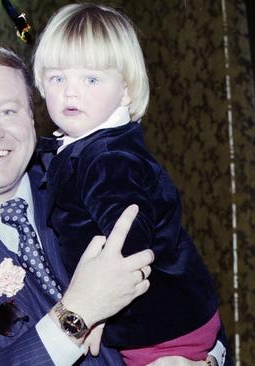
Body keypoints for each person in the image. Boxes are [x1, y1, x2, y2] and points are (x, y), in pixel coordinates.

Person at [0, 41, 227, 366]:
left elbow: (186, 286)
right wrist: (77, 313)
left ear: (33, 116)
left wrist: (207, 360)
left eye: (7, 111)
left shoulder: (92, 177)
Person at [32, 4, 222, 365]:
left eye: (91, 79)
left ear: (126, 91)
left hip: (161, 331)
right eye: (58, 78)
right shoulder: (89, 146)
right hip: (167, 319)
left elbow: (131, 244)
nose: (70, 93)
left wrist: (98, 311)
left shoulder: (107, 159)